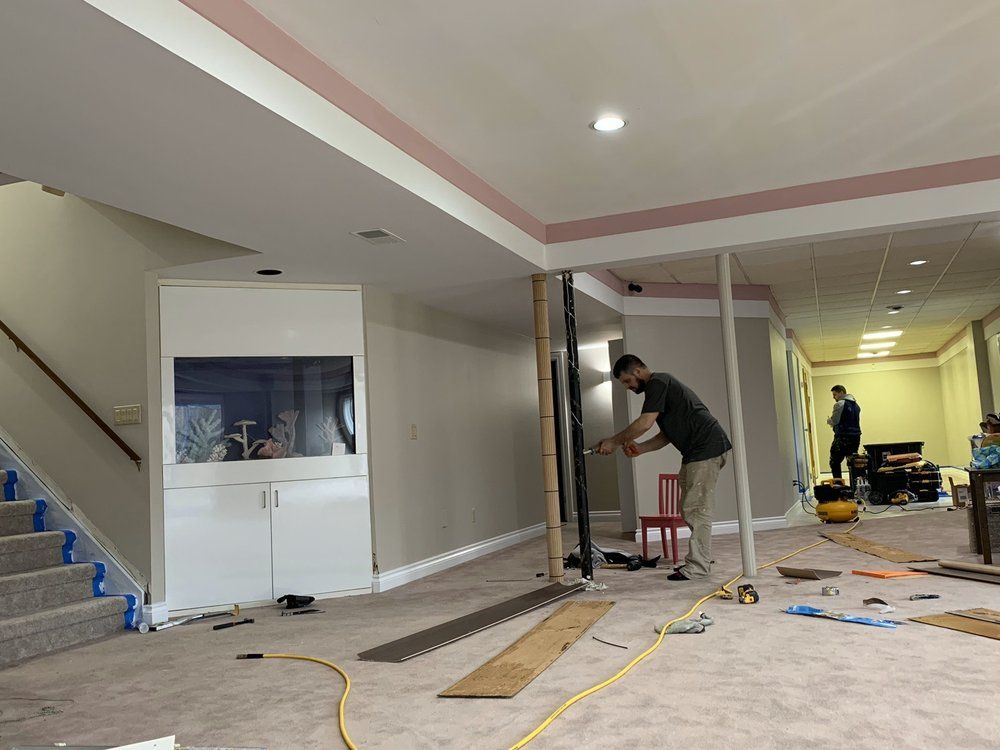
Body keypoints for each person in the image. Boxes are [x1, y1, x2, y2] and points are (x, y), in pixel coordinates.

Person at [596, 355, 731, 581]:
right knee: (689, 508)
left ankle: (698, 567)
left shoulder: (658, 382)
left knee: (696, 509)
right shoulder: (661, 388)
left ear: (638, 372)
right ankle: (701, 560)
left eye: (627, 381)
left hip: (707, 447)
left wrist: (614, 441)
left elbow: (645, 422)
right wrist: (641, 448)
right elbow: (666, 434)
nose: (628, 387)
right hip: (695, 451)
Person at [826, 385, 861, 480]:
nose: (834, 397)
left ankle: (839, 487)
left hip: (842, 437)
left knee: (834, 462)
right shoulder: (856, 405)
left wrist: (829, 421)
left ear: (841, 392)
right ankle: (855, 486)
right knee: (852, 462)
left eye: (835, 394)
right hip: (855, 437)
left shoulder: (840, 404)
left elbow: (835, 421)